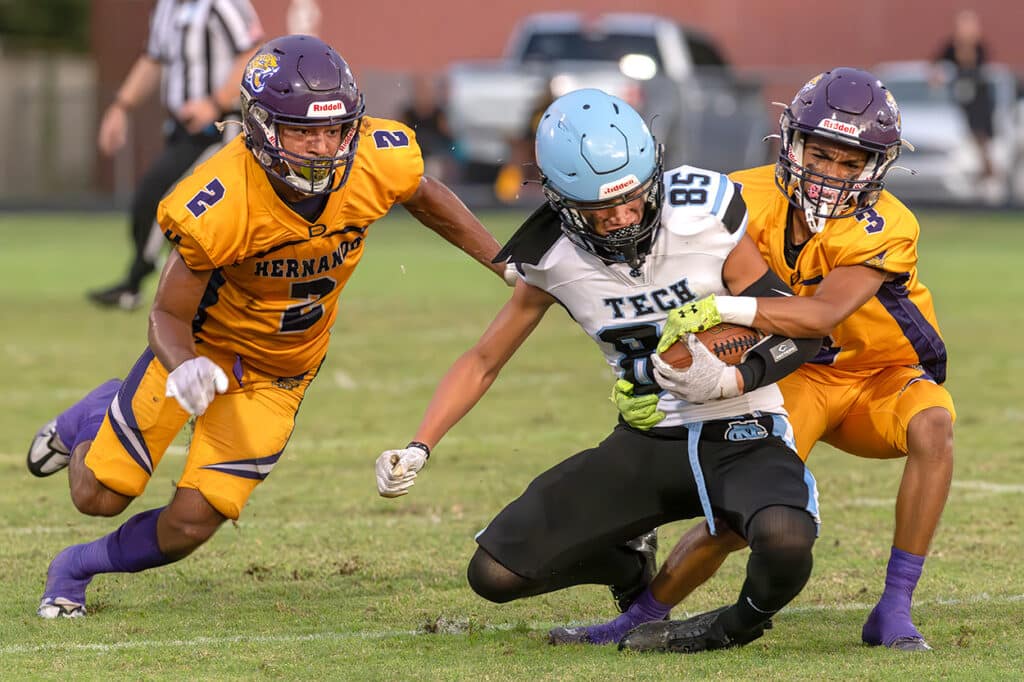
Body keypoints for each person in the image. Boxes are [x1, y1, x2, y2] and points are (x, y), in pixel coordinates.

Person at [26, 34, 512, 619]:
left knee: (190, 525)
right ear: (259, 127)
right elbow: (167, 314)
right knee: (98, 495)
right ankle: (94, 413)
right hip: (202, 351)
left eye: (333, 130)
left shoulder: (376, 158)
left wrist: (502, 259)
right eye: (303, 131)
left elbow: (425, 195)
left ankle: (75, 566)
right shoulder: (221, 198)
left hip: (281, 372)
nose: (322, 146)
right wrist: (185, 369)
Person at [374, 88, 825, 653]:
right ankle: (628, 563)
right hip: (645, 440)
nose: (622, 219)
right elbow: (483, 359)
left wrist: (735, 377)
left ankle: (725, 630)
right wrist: (421, 444)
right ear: (561, 202)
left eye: (633, 199)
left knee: (785, 540)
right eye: (600, 209)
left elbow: (797, 327)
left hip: (741, 429)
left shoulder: (703, 212)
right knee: (493, 574)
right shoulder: (550, 256)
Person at [600, 67, 955, 653]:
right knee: (746, 508)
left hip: (877, 377)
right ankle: (643, 611)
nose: (832, 175)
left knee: (935, 425)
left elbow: (819, 318)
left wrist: (719, 309)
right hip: (794, 371)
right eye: (822, 155)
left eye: (852, 162)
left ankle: (894, 606)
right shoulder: (738, 194)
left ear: (880, 165)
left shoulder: (887, 223)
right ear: (792, 143)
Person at [89, 0, 263, 311]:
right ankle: (184, 288)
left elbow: (254, 53)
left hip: (221, 126)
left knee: (168, 202)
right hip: (183, 130)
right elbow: (152, 60)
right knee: (159, 203)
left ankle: (138, 281)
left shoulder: (224, 4)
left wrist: (215, 102)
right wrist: (120, 107)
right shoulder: (167, 7)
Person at [933, 9, 996, 180]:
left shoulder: (979, 47)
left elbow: (980, 69)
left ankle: (986, 168)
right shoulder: (950, 46)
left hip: (977, 100)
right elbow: (936, 64)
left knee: (981, 132)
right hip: (957, 100)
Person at [399, 73, 457, 184]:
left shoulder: (438, 113)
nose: (422, 95)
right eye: (420, 91)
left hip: (432, 155)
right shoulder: (408, 112)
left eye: (425, 91)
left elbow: (448, 137)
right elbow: (398, 134)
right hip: (411, 155)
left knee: (432, 174)